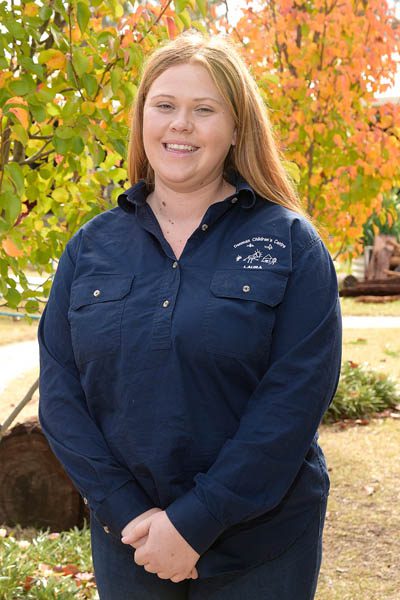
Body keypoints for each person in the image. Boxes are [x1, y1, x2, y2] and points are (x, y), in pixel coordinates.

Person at [38, 29, 342, 599]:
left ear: (236, 129)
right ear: (141, 120)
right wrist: (129, 514)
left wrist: (195, 522)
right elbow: (61, 397)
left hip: (263, 545)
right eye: (164, 106)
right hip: (132, 542)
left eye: (204, 110)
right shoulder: (90, 248)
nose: (181, 124)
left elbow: (293, 401)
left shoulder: (291, 244)